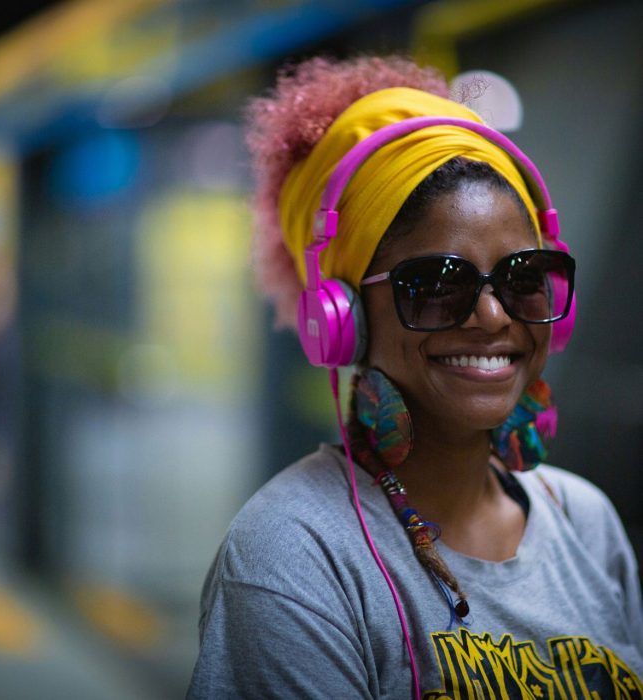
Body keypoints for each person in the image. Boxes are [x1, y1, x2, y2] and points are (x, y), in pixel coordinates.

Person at [187, 55, 643, 699]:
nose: (492, 316)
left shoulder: (586, 522)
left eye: (524, 278)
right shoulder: (293, 556)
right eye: (434, 285)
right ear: (341, 317)